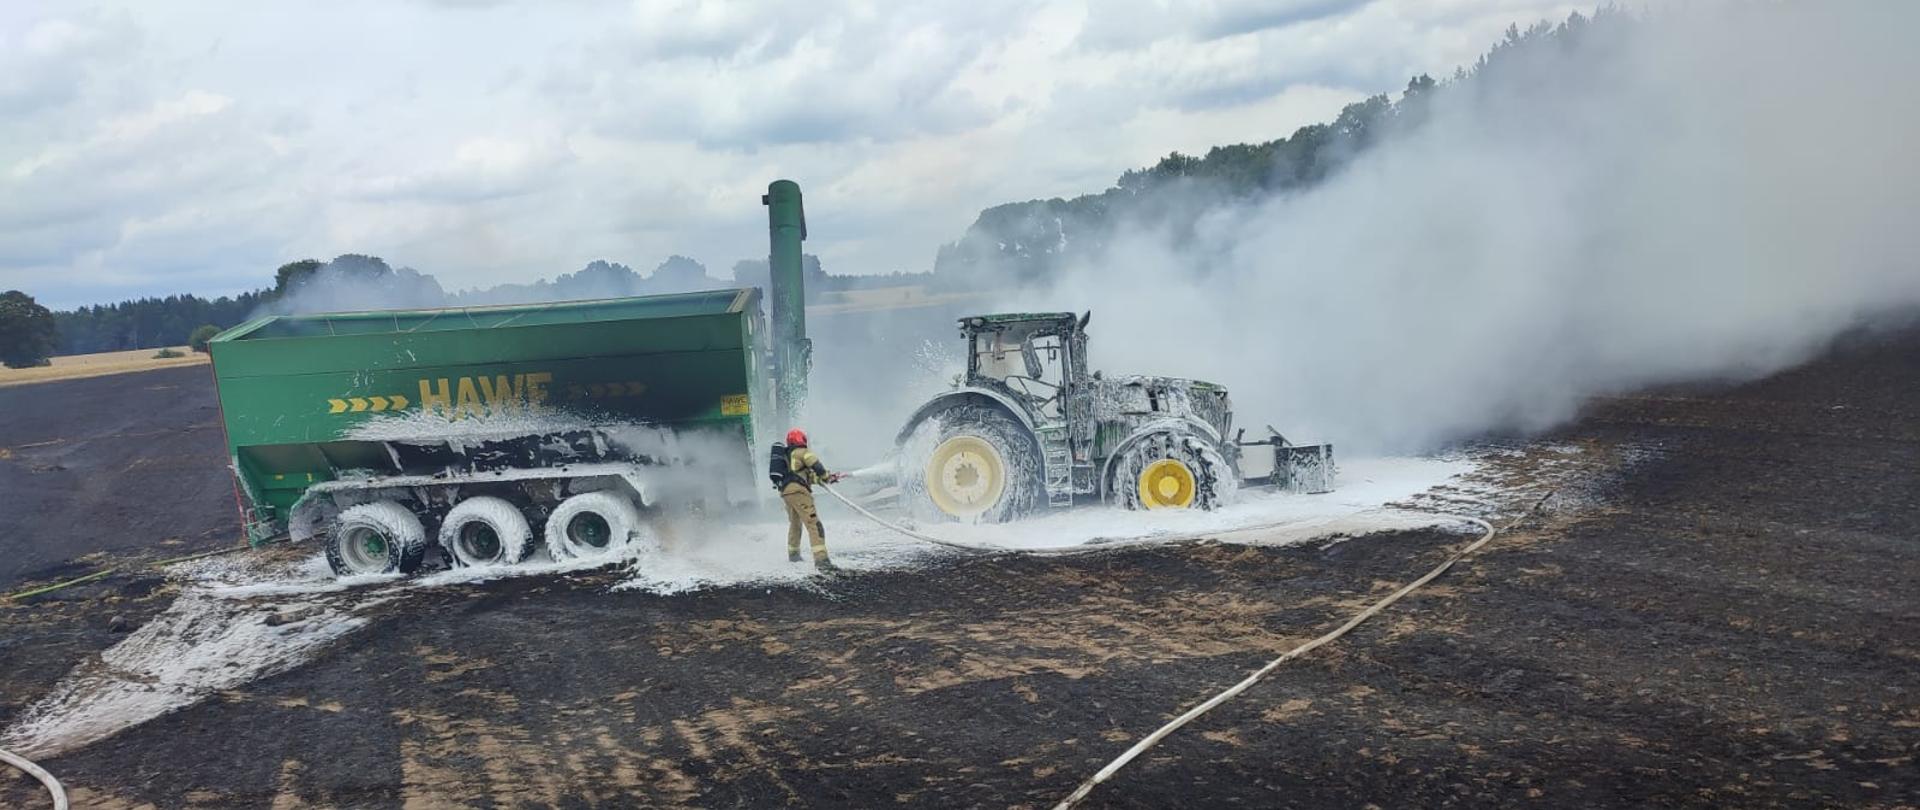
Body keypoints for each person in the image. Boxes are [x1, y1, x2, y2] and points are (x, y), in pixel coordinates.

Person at [775, 427, 844, 573]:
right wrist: (826, 476)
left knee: (795, 524)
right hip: (799, 492)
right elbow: (817, 466)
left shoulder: (788, 457)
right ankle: (822, 561)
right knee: (814, 524)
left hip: (786, 493)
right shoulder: (803, 452)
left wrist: (828, 478)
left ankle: (793, 555)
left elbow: (806, 477)